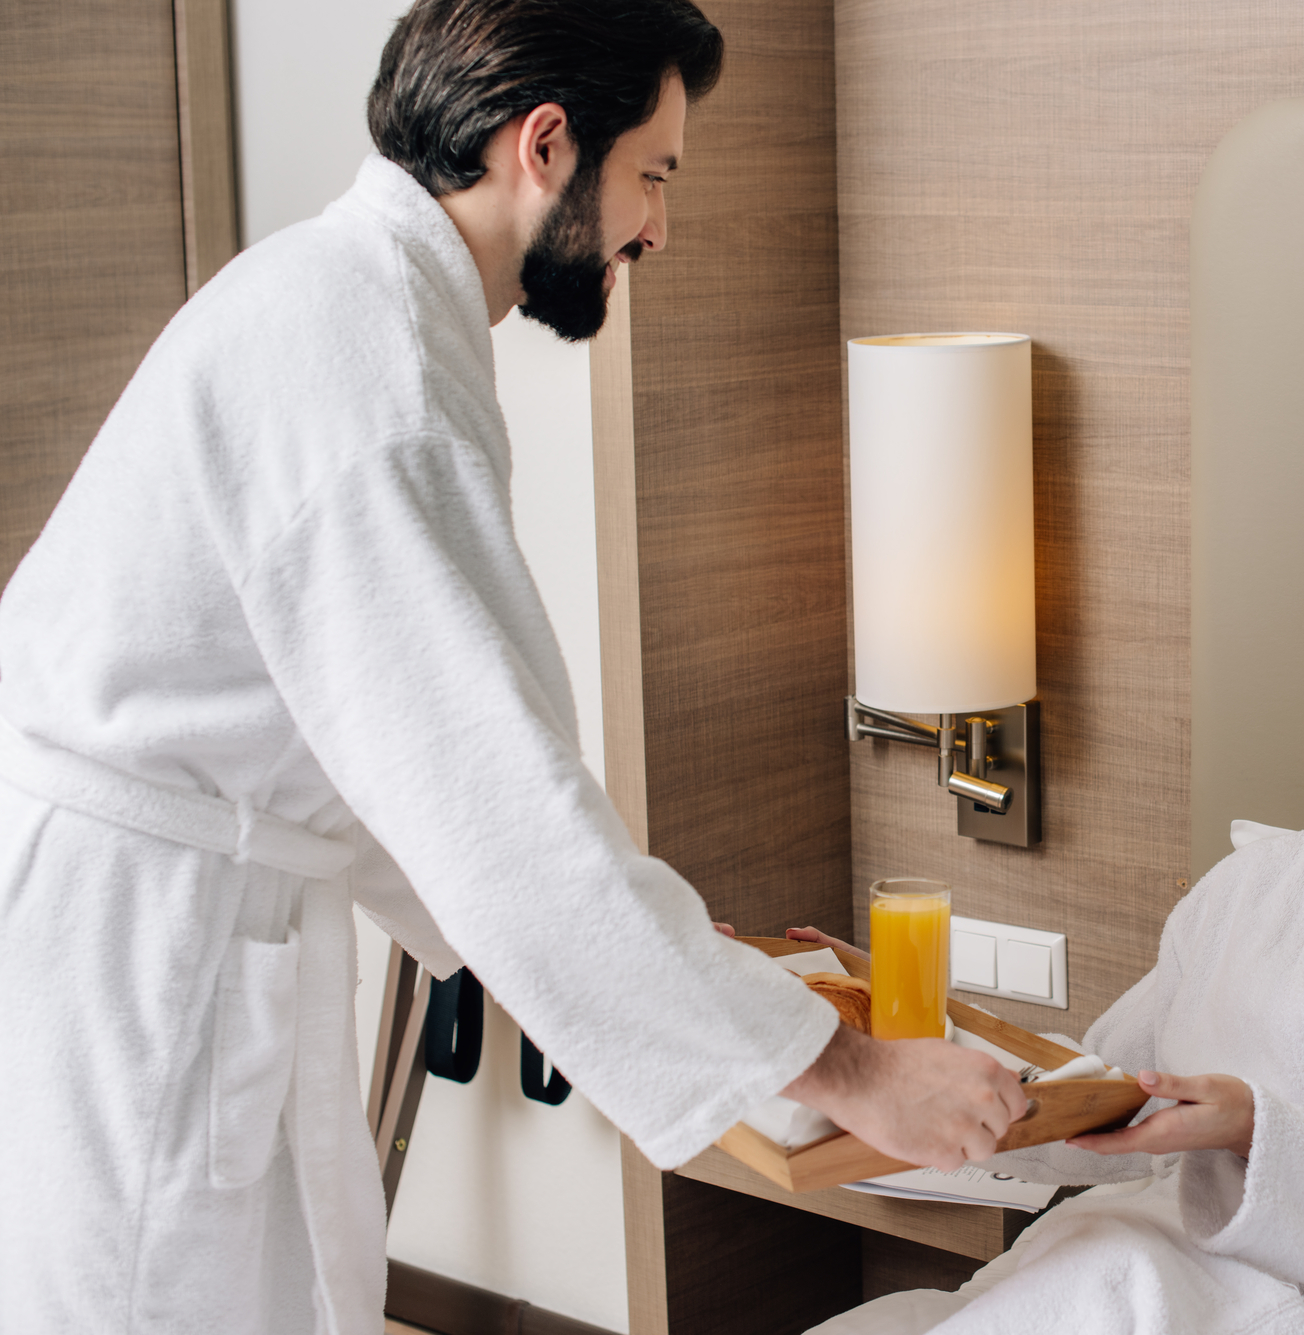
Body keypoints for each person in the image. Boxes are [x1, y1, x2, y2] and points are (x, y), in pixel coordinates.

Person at [0, 2, 1024, 1331]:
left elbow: (403, 760)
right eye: (652, 173)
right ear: (544, 145)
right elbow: (501, 813)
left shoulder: (350, 304)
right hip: (140, 951)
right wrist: (854, 1070)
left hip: (158, 907)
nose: (660, 226)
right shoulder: (372, 369)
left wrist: (649, 944)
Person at [801, 552, 1304, 1335]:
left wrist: (1252, 1131)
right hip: (1123, 1253)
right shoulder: (1253, 884)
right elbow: (1101, 1091)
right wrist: (893, 1030)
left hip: (1295, 1300)